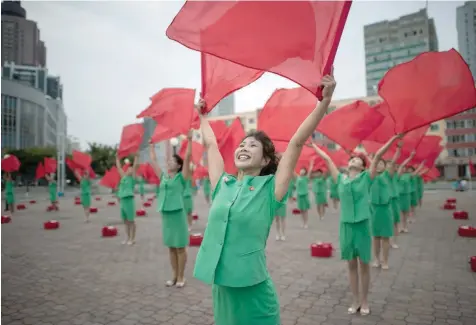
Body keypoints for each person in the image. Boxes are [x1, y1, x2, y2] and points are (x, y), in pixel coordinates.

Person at [193, 73, 336, 325]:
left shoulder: (270, 190)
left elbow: (296, 143)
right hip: (222, 290)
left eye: (252, 146)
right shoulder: (222, 185)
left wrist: (324, 103)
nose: (244, 148)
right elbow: (211, 146)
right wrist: (202, 116)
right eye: (242, 145)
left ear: (266, 160)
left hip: (254, 293)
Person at [310, 133, 401, 316]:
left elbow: (377, 157)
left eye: (358, 160)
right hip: (346, 226)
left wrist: (392, 139)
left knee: (364, 265)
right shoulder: (341, 179)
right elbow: (327, 159)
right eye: (352, 159)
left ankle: (365, 300)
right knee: (351, 265)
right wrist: (313, 145)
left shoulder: (367, 177)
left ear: (362, 167)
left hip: (362, 225)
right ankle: (355, 299)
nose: (354, 160)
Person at [149, 134, 192, 288]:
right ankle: (174, 276)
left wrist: (190, 140)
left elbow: (187, 158)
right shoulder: (164, 177)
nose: (169, 162)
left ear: (179, 165)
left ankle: (181, 277)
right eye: (169, 160)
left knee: (180, 247)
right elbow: (153, 161)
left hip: (178, 214)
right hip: (166, 214)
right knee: (171, 247)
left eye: (173, 161)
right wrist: (152, 146)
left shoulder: (181, 178)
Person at [367, 137, 403, 270]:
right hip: (374, 210)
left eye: (382, 164)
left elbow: (393, 162)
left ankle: (385, 260)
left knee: (385, 238)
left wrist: (398, 149)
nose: (379, 165)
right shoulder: (369, 176)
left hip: (386, 209)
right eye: (377, 164)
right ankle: (376, 259)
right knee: (376, 238)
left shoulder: (387, 175)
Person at [116, 154, 139, 245]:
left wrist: (136, 156)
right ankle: (127, 237)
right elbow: (119, 168)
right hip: (123, 201)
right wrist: (117, 158)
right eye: (129, 169)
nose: (130, 170)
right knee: (125, 221)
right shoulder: (123, 177)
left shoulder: (132, 178)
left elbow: (136, 166)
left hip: (129, 201)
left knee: (131, 221)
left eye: (131, 169)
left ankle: (132, 239)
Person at [396, 152, 416, 233]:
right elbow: (400, 166)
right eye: (402, 167)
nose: (403, 168)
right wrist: (410, 157)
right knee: (400, 213)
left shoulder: (408, 176)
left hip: (407, 195)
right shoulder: (397, 176)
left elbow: (416, 172)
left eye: (405, 167)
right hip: (400, 196)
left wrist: (421, 166)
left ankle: (405, 227)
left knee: (405, 213)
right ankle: (400, 227)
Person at [295, 161, 313, 228]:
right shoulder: (297, 177)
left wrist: (311, 164)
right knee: (301, 210)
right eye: (301, 170)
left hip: (304, 195)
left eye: (303, 170)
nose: (301, 171)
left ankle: (306, 223)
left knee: (305, 210)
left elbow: (310, 171)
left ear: (305, 172)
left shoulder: (306, 178)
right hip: (299, 196)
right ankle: (303, 222)